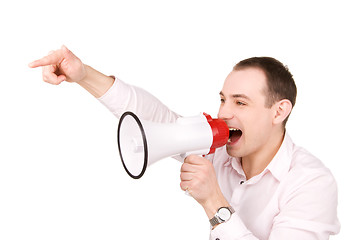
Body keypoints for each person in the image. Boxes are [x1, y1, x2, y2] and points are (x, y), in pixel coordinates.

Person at [29, 46, 340, 239]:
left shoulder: (311, 182)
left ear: (279, 111)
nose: (224, 113)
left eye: (240, 103)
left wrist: (214, 203)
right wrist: (83, 74)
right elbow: (154, 116)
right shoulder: (219, 152)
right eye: (223, 99)